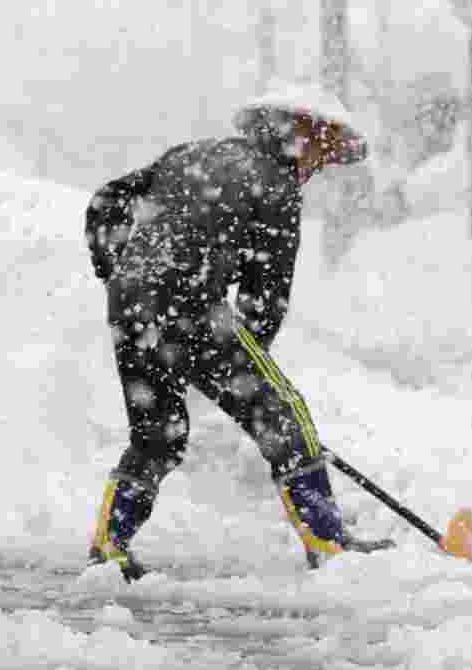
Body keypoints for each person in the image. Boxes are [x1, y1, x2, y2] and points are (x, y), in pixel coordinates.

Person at [83, 85, 395, 580]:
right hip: (190, 306)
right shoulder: (274, 184)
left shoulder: (191, 155)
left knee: (158, 435)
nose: (318, 166)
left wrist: (119, 274)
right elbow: (264, 300)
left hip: (131, 307)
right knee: (285, 414)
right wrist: (247, 377)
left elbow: (106, 200)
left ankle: (109, 544)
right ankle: (328, 541)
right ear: (301, 135)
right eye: (320, 151)